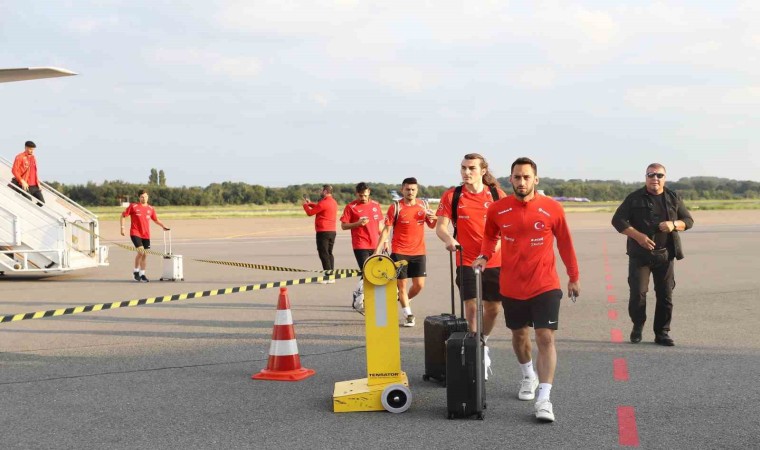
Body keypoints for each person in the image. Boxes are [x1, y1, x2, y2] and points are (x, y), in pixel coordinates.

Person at [474, 157, 580, 423]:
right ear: (511, 179)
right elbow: (489, 237)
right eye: (517, 177)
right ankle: (527, 376)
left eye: (526, 177)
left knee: (545, 337)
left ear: (536, 179)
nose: (522, 182)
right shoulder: (498, 209)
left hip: (545, 284)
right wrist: (484, 256)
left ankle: (544, 400)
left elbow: (565, 244)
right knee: (520, 337)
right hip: (511, 285)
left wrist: (573, 276)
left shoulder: (552, 208)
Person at [435, 153, 511, 381]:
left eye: (471, 168)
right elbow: (441, 226)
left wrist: (494, 247)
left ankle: (483, 341)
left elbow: (506, 227)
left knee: (493, 308)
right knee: (470, 306)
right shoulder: (453, 195)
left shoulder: (497, 194)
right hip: (466, 259)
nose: (466, 172)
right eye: (463, 168)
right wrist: (449, 239)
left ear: (483, 170)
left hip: (494, 260)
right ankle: (476, 350)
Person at [611, 163, 694, 347]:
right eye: (651, 175)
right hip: (640, 256)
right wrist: (638, 236)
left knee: (665, 295)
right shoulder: (634, 198)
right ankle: (638, 325)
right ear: (646, 177)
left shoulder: (673, 197)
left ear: (665, 177)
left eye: (659, 175)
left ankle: (662, 333)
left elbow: (688, 221)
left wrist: (673, 224)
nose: (655, 178)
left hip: (665, 255)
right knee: (638, 294)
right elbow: (617, 220)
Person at [375, 177, 437, 327]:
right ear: (402, 189)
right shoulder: (395, 207)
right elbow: (386, 230)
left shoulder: (424, 205)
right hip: (399, 252)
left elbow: (432, 225)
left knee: (419, 285)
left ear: (417, 190)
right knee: (401, 286)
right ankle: (408, 314)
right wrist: (376, 251)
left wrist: (434, 218)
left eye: (413, 189)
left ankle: (404, 300)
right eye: (407, 189)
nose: (410, 192)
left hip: (419, 252)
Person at [340, 182, 383, 312]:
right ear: (356, 193)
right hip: (360, 244)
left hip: (375, 244)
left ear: (369, 192)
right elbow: (344, 225)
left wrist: (384, 241)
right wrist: (358, 223)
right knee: (367, 272)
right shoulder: (351, 207)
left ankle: (359, 294)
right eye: (360, 195)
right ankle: (366, 299)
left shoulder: (376, 205)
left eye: (364, 195)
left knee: (374, 273)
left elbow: (380, 225)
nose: (363, 198)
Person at [120, 190, 170, 282]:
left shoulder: (150, 208)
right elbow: (123, 216)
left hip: (146, 234)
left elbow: (156, 220)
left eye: (146, 196)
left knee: (145, 254)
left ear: (148, 197)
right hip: (135, 233)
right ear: (139, 197)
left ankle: (142, 274)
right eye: (142, 197)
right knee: (141, 252)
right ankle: (135, 271)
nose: (144, 198)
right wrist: (122, 228)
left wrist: (163, 226)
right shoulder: (133, 206)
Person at [302, 184, 338, 283]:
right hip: (332, 231)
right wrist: (310, 203)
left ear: (325, 192)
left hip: (323, 231)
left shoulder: (324, 202)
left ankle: (328, 276)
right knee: (329, 253)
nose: (320, 192)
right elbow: (319, 207)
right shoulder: (333, 202)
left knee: (323, 254)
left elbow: (310, 213)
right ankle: (331, 276)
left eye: (322, 191)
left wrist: (305, 205)